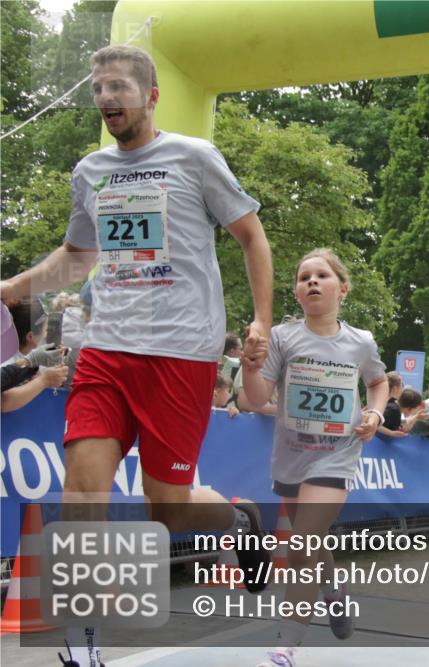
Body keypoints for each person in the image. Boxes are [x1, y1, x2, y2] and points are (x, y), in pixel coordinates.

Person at [0, 44, 273, 667]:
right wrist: (18, 286)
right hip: (107, 351)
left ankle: (236, 522)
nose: (106, 99)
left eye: (119, 86)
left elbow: (251, 236)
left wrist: (259, 319)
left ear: (150, 96)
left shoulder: (194, 158)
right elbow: (78, 256)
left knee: (168, 511)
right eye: (98, 88)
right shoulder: (89, 170)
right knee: (81, 493)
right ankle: (83, 639)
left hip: (181, 355)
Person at [240, 249, 387, 667]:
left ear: (342, 288)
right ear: (297, 292)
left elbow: (377, 382)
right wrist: (251, 366)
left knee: (302, 547)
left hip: (337, 456)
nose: (312, 282)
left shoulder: (360, 342)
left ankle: (287, 644)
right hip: (291, 456)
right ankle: (333, 590)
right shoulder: (284, 338)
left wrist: (374, 412)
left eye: (322, 275)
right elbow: (254, 398)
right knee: (313, 541)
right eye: (304, 277)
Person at [377, 371, 405, 436]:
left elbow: (404, 425)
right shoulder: (393, 408)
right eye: (401, 385)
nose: (403, 388)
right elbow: (375, 424)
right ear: (395, 388)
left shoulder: (379, 402)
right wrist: (391, 433)